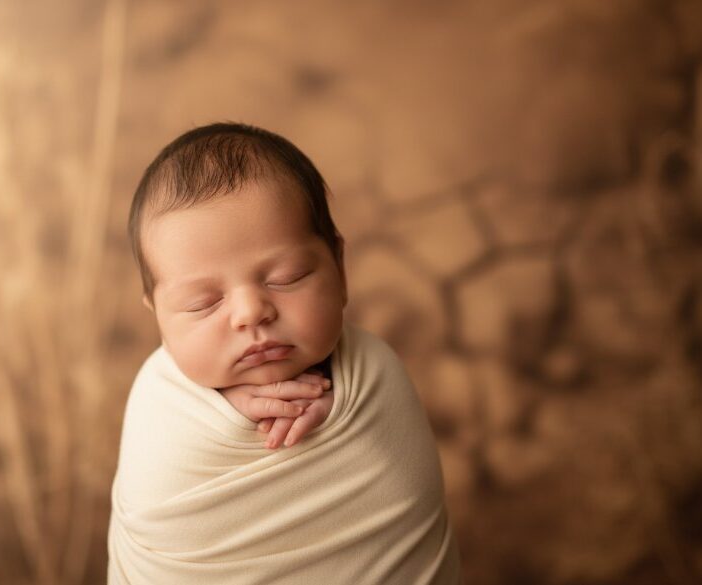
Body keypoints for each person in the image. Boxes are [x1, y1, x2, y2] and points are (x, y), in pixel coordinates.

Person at [109, 123, 460, 584]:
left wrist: (338, 405)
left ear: (339, 266)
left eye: (287, 276)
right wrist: (228, 414)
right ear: (158, 314)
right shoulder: (161, 402)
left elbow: (401, 483)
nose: (251, 312)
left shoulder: (374, 371)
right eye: (202, 303)